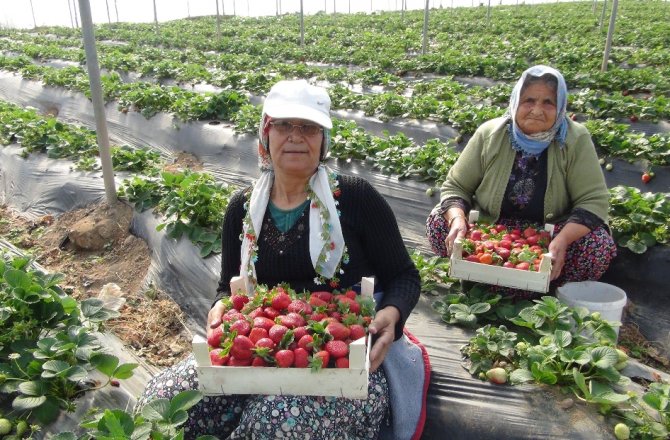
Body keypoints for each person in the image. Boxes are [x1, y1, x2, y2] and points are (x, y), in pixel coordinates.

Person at [137, 79, 428, 439]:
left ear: (323, 140)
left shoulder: (355, 198)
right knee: (162, 400)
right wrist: (219, 307)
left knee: (274, 422)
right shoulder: (242, 209)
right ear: (266, 134)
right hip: (260, 354)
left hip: (345, 361)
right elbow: (225, 287)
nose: (295, 136)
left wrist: (392, 313)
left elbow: (404, 276)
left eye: (309, 127)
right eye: (283, 125)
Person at [426, 65, 616, 295]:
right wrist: (458, 221)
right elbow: (456, 186)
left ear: (561, 107)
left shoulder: (575, 140)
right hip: (491, 232)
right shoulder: (490, 134)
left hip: (550, 235)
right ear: (515, 102)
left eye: (548, 102)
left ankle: (525, 282)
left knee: (597, 245)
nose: (537, 109)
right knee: (439, 221)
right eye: (529, 100)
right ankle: (510, 283)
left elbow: (593, 201)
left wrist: (563, 240)